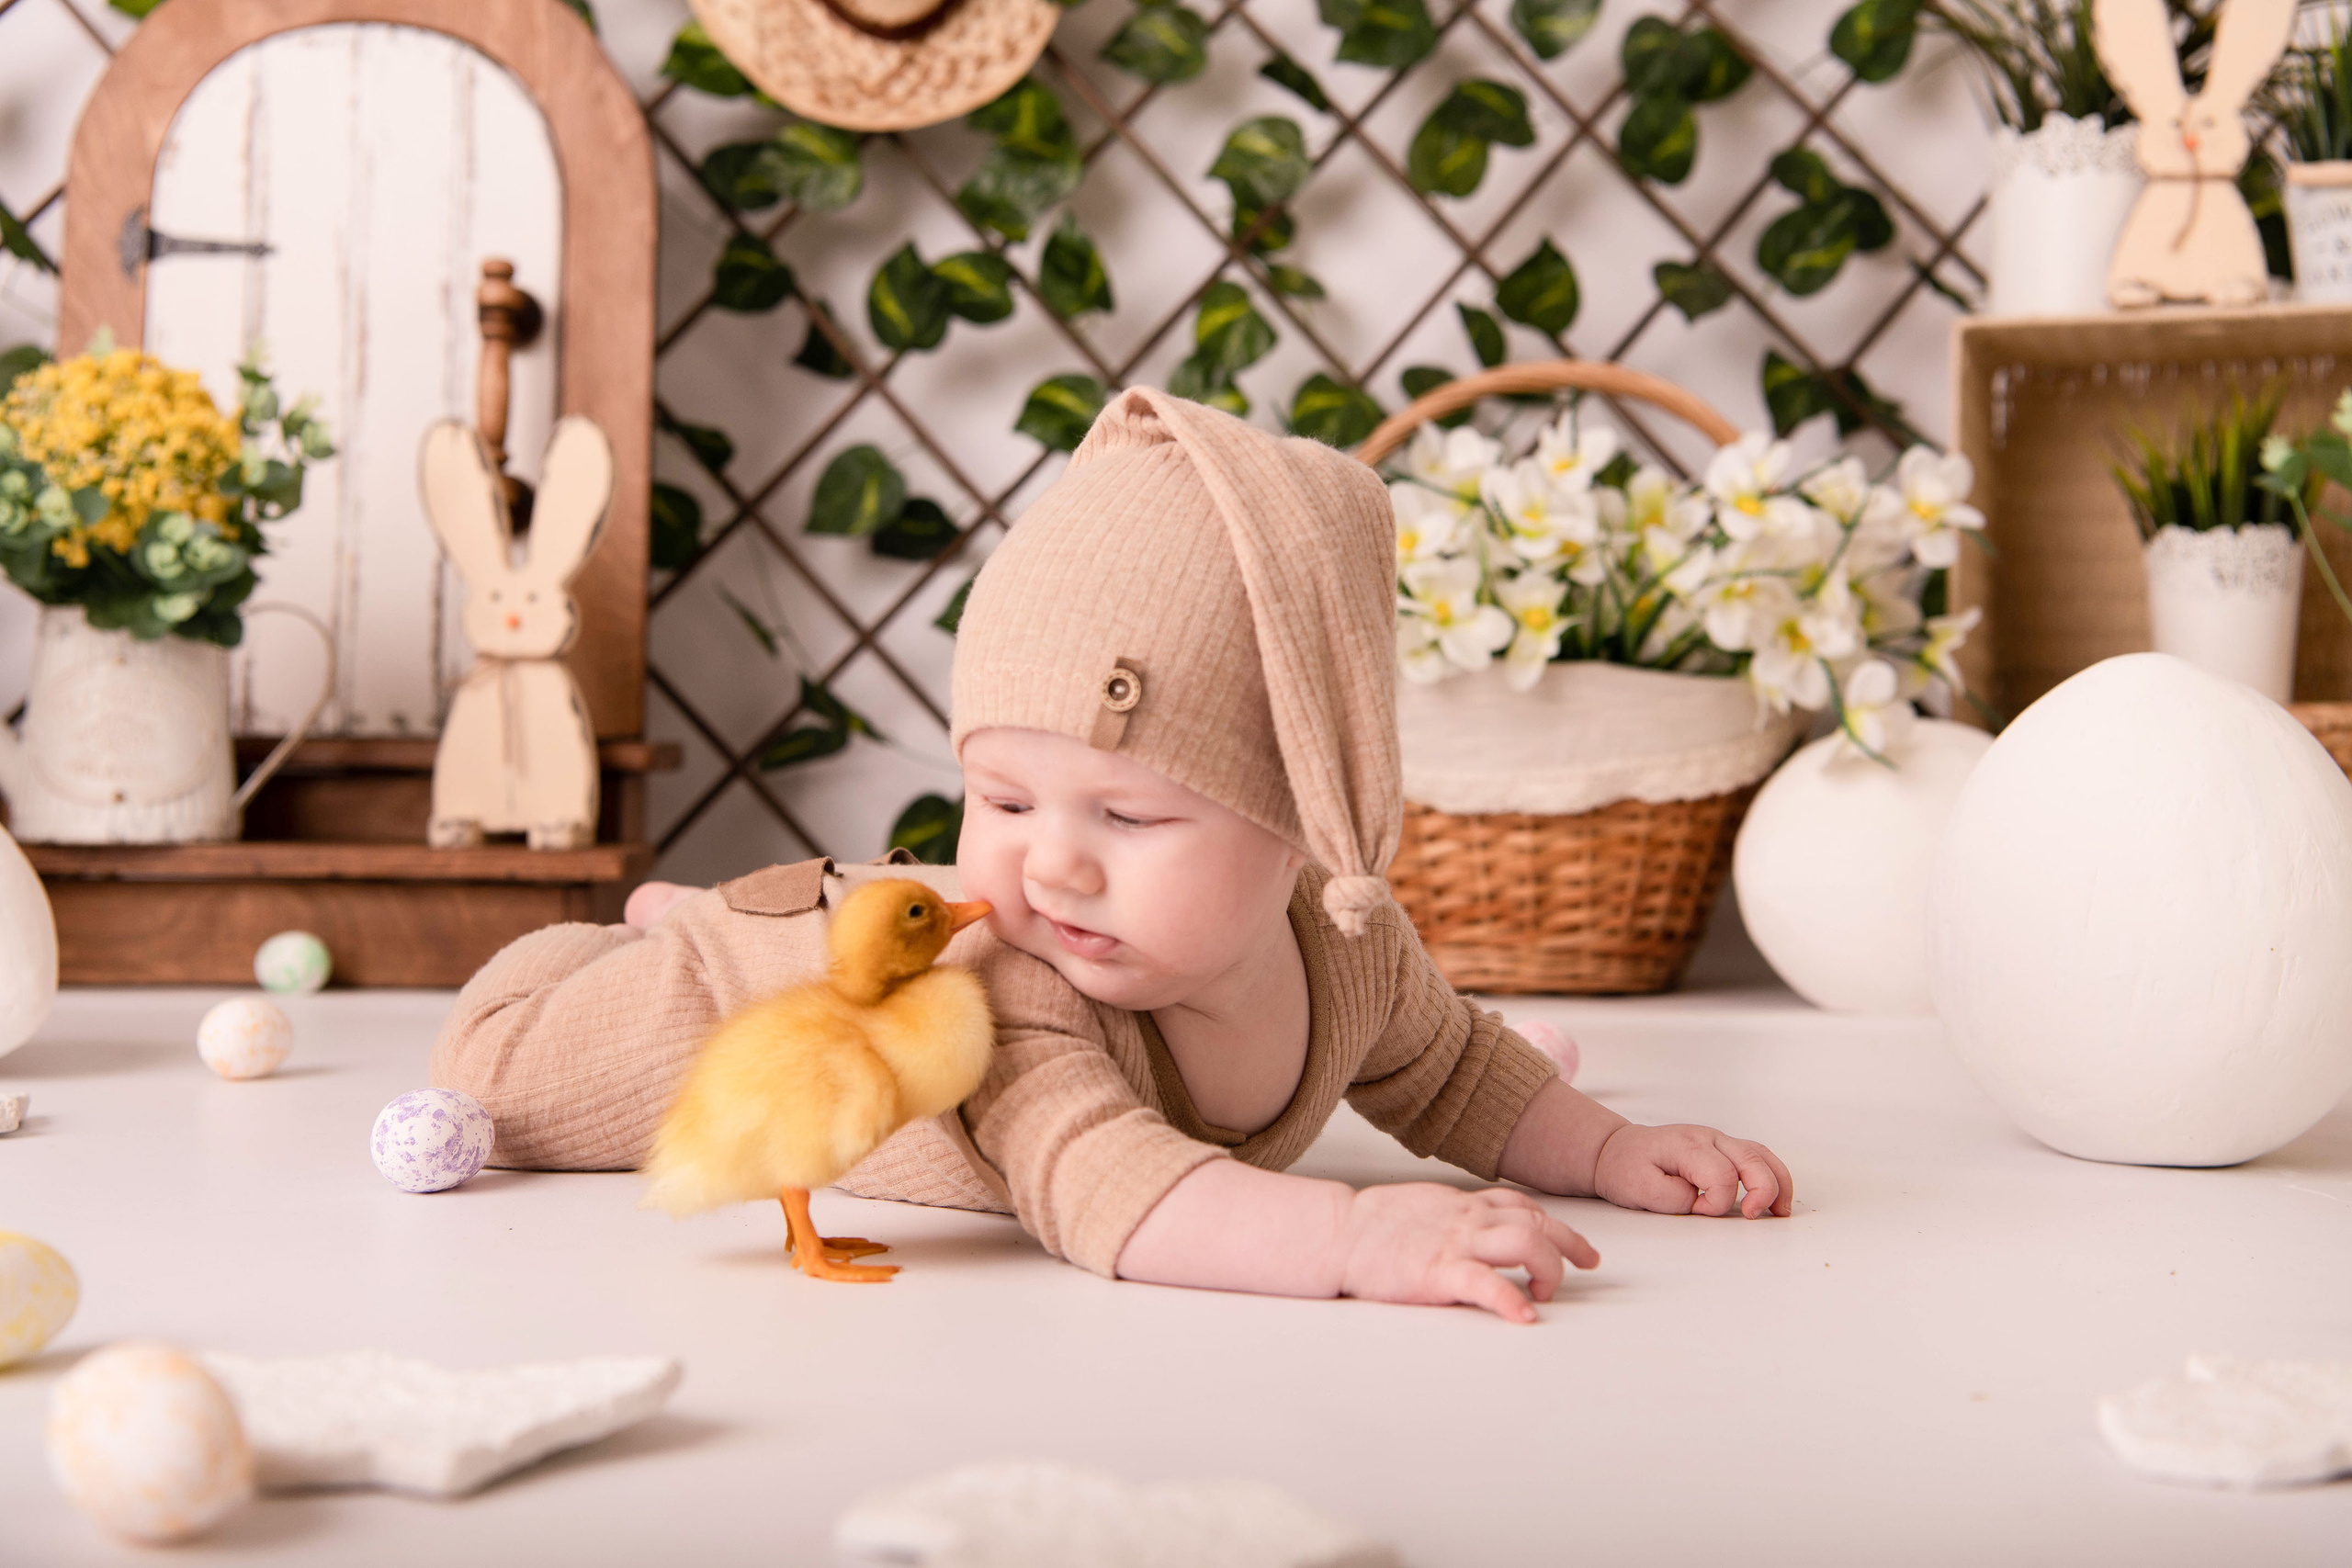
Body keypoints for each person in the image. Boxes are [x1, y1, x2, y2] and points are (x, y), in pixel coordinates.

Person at [433, 388, 1792, 1324]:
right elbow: (1105, 1188)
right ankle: (654, 933)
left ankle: (721, 908)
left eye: (1129, 818)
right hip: (760, 989)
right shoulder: (1017, 989)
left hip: (884, 924)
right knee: (499, 1069)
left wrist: (1612, 1153)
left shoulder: (1353, 945)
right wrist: (1353, 1233)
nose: (1054, 870)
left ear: (1300, 821)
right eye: (1003, 801)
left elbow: (1458, 1072)